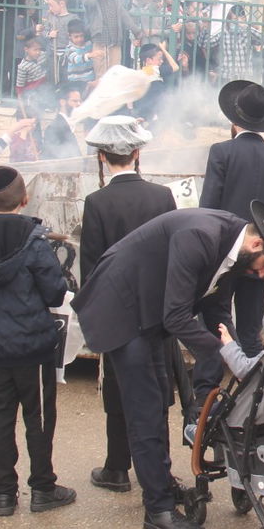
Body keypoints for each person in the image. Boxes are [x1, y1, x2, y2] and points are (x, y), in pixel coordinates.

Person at [71, 201, 264, 529]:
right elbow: (177, 316)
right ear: (257, 244)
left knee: (158, 401)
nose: (262, 276)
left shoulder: (234, 251)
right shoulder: (200, 237)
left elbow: (216, 312)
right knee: (146, 409)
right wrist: (216, 355)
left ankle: (161, 483)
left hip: (151, 309)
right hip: (122, 307)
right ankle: (158, 509)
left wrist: (235, 354)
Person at [0, 167, 74, 516]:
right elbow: (54, 291)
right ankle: (42, 489)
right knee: (38, 418)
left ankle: (3, 494)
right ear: (24, 199)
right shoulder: (33, 240)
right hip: (32, 346)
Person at [79, 116, 176, 495]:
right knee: (157, 390)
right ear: (137, 153)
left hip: (117, 314)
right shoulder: (162, 197)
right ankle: (160, 470)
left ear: (103, 157)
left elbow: (92, 267)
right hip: (156, 311)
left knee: (118, 389)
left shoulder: (97, 202)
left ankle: (117, 466)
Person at [200, 80, 264, 373]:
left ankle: (208, 394)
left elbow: (208, 208)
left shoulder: (221, 152)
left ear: (233, 119)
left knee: (215, 324)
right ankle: (253, 393)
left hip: (223, 254)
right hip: (262, 258)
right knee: (252, 331)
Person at [41, 83, 84, 161]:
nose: (79, 104)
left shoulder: (69, 124)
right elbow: (51, 160)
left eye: (79, 101)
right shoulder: (53, 129)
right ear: (62, 102)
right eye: (74, 101)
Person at [62, 20, 96, 90]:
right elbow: (76, 59)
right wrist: (89, 55)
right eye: (76, 37)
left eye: (81, 36)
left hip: (90, 79)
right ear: (69, 36)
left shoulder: (89, 44)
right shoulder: (69, 49)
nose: (79, 39)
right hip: (76, 82)